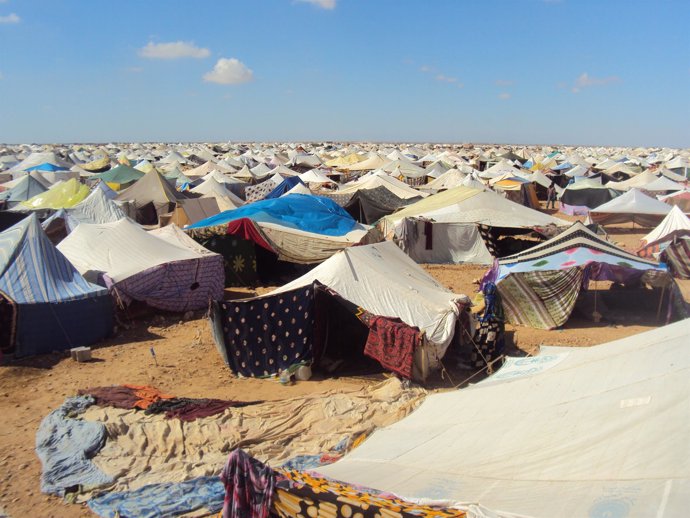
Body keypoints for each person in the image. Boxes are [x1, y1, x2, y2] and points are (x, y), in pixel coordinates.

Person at [469, 282, 506, 371]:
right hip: (496, 327)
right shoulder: (498, 300)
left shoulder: (487, 299)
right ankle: (489, 365)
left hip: (487, 326)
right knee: (491, 345)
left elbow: (477, 309)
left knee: (480, 344)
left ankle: (477, 365)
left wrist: (467, 309)